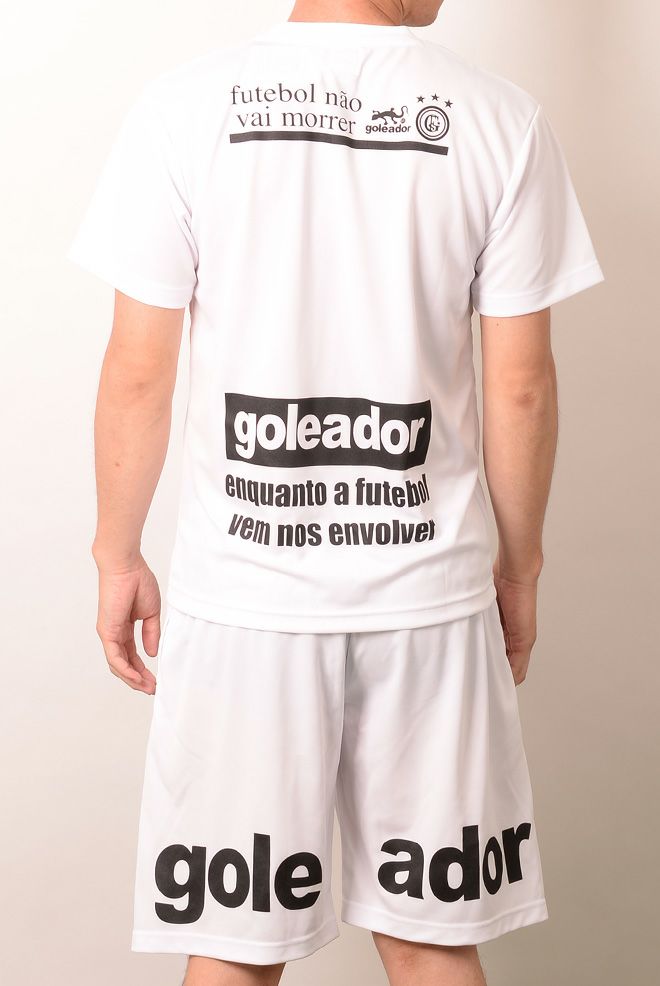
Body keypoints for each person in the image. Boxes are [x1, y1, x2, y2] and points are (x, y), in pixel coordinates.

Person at [66, 0, 604, 983]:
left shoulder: (185, 107)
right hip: (428, 602)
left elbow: (138, 370)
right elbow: (521, 384)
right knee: (431, 940)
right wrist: (520, 568)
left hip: (245, 603)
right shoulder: (500, 119)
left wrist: (116, 552)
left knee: (234, 947)